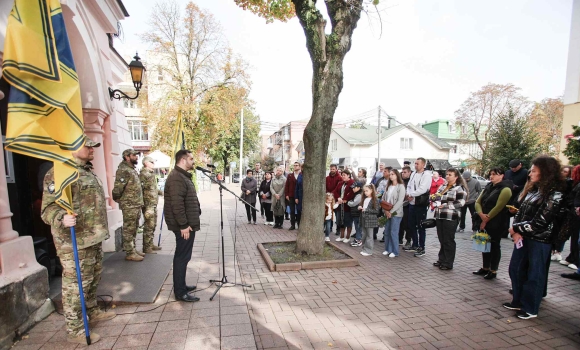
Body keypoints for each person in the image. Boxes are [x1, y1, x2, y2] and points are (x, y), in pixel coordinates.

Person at [41, 136, 115, 344]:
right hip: (73, 241)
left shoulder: (87, 171)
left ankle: (91, 310)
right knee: (76, 285)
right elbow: (47, 209)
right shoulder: (59, 173)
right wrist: (61, 218)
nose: (92, 150)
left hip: (93, 237)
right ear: (72, 148)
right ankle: (75, 329)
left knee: (93, 277)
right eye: (87, 146)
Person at [504, 155, 564, 319]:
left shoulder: (554, 194)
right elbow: (520, 212)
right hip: (523, 237)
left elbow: (540, 222)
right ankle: (517, 300)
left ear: (545, 173)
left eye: (534, 171)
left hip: (540, 240)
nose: (530, 174)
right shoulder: (534, 190)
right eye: (531, 170)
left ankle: (530, 308)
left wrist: (515, 229)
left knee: (534, 275)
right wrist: (516, 230)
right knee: (515, 269)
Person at [164, 149, 202, 303]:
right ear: (183, 160)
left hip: (187, 224)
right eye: (191, 159)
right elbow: (177, 205)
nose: (194, 162)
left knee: (184, 257)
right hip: (183, 227)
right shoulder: (176, 178)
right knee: (181, 257)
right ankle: (180, 292)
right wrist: (184, 225)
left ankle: (182, 285)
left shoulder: (182, 176)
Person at [473, 167, 512, 279]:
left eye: (494, 174)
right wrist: (481, 214)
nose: (491, 176)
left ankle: (493, 270)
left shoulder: (505, 189)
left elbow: (499, 207)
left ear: (502, 175)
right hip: (483, 218)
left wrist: (486, 219)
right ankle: (485, 267)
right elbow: (477, 202)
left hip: (496, 222)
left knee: (494, 246)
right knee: (483, 243)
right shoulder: (489, 186)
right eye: (490, 174)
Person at [112, 149, 144, 262]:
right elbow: (117, 188)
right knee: (129, 228)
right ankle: (130, 252)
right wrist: (119, 199)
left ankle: (133, 249)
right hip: (129, 204)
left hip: (135, 203)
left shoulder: (131, 169)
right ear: (127, 157)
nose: (136, 157)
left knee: (134, 227)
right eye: (134, 155)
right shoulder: (123, 170)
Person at [432, 168, 467, 270]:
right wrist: (434, 201)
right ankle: (441, 259)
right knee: (442, 238)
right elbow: (436, 197)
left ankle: (448, 262)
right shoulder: (443, 186)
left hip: (451, 216)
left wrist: (447, 205)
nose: (447, 176)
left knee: (448, 240)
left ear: (456, 177)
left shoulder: (460, 188)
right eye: (446, 174)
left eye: (450, 175)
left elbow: (461, 202)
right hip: (440, 215)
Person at [405, 157, 433, 257]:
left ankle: (422, 247)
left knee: (421, 226)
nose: (415, 165)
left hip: (420, 203)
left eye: (417, 164)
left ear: (423, 165)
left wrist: (412, 194)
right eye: (415, 163)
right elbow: (409, 185)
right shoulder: (413, 174)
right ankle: (415, 244)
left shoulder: (427, 175)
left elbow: (423, 188)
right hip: (412, 203)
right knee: (411, 224)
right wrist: (408, 194)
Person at [558, 165, 580, 270]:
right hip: (573, 213)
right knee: (574, 237)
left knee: (576, 238)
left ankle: (575, 260)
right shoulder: (575, 184)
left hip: (575, 214)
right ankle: (572, 258)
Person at [139, 156, 163, 253]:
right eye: (152, 162)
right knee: (149, 225)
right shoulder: (144, 174)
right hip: (147, 203)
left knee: (153, 224)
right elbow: (139, 189)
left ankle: (150, 243)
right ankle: (146, 247)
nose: (154, 164)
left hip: (153, 203)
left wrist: (162, 193)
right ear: (146, 163)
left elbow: (152, 189)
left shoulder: (151, 174)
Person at [381, 169, 406, 258]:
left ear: (397, 175)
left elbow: (400, 201)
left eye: (393, 174)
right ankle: (387, 249)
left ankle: (395, 251)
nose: (391, 176)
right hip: (387, 211)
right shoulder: (388, 186)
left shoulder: (401, 186)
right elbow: (383, 199)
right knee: (387, 231)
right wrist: (385, 211)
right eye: (390, 174)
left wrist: (391, 211)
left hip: (396, 213)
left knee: (393, 232)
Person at [333, 169, 355, 242]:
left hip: (347, 206)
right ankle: (341, 236)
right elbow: (335, 191)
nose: (343, 177)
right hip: (340, 205)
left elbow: (351, 193)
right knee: (340, 221)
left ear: (348, 175)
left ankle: (347, 237)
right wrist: (338, 198)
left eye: (344, 175)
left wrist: (344, 199)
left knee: (348, 221)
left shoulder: (352, 183)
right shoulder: (340, 183)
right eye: (342, 175)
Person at [359, 184, 381, 256]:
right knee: (364, 234)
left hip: (370, 220)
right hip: (364, 218)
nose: (365, 192)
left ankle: (369, 250)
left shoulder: (375, 200)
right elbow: (363, 207)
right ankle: (364, 248)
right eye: (364, 191)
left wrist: (366, 209)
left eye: (367, 191)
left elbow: (376, 211)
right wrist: (360, 207)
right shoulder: (364, 199)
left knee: (369, 236)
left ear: (371, 190)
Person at [375, 167, 391, 241]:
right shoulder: (381, 180)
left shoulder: (391, 182)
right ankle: (374, 233)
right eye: (383, 171)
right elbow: (377, 189)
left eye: (385, 171)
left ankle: (385, 235)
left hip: (386, 203)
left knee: (385, 218)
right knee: (377, 217)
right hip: (378, 201)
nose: (383, 173)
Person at [285, 162, 301, 230]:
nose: (295, 167)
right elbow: (287, 185)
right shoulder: (290, 175)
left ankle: (299, 224)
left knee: (299, 210)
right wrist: (287, 194)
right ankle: (292, 225)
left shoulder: (302, 175)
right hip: (291, 195)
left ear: (299, 166)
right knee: (292, 211)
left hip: (299, 196)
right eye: (294, 165)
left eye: (296, 165)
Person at [326, 164, 342, 235]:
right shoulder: (327, 178)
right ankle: (329, 228)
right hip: (328, 198)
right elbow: (325, 186)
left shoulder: (339, 178)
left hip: (336, 198)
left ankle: (338, 229)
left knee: (337, 215)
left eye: (333, 169)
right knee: (330, 213)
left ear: (336, 169)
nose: (332, 170)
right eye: (331, 169)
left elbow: (338, 188)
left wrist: (332, 194)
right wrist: (328, 195)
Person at [348, 181, 364, 247]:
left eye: (354, 188)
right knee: (357, 227)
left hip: (358, 214)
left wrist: (349, 202)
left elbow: (353, 203)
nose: (353, 189)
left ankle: (359, 240)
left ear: (358, 188)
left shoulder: (359, 195)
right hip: (355, 213)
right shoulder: (356, 194)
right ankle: (357, 239)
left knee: (358, 227)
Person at [399, 166, 412, 247]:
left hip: (408, 204)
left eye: (405, 172)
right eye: (402, 172)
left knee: (407, 223)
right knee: (400, 223)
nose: (403, 174)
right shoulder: (400, 181)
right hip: (400, 204)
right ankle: (399, 239)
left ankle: (408, 239)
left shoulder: (411, 181)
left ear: (409, 172)